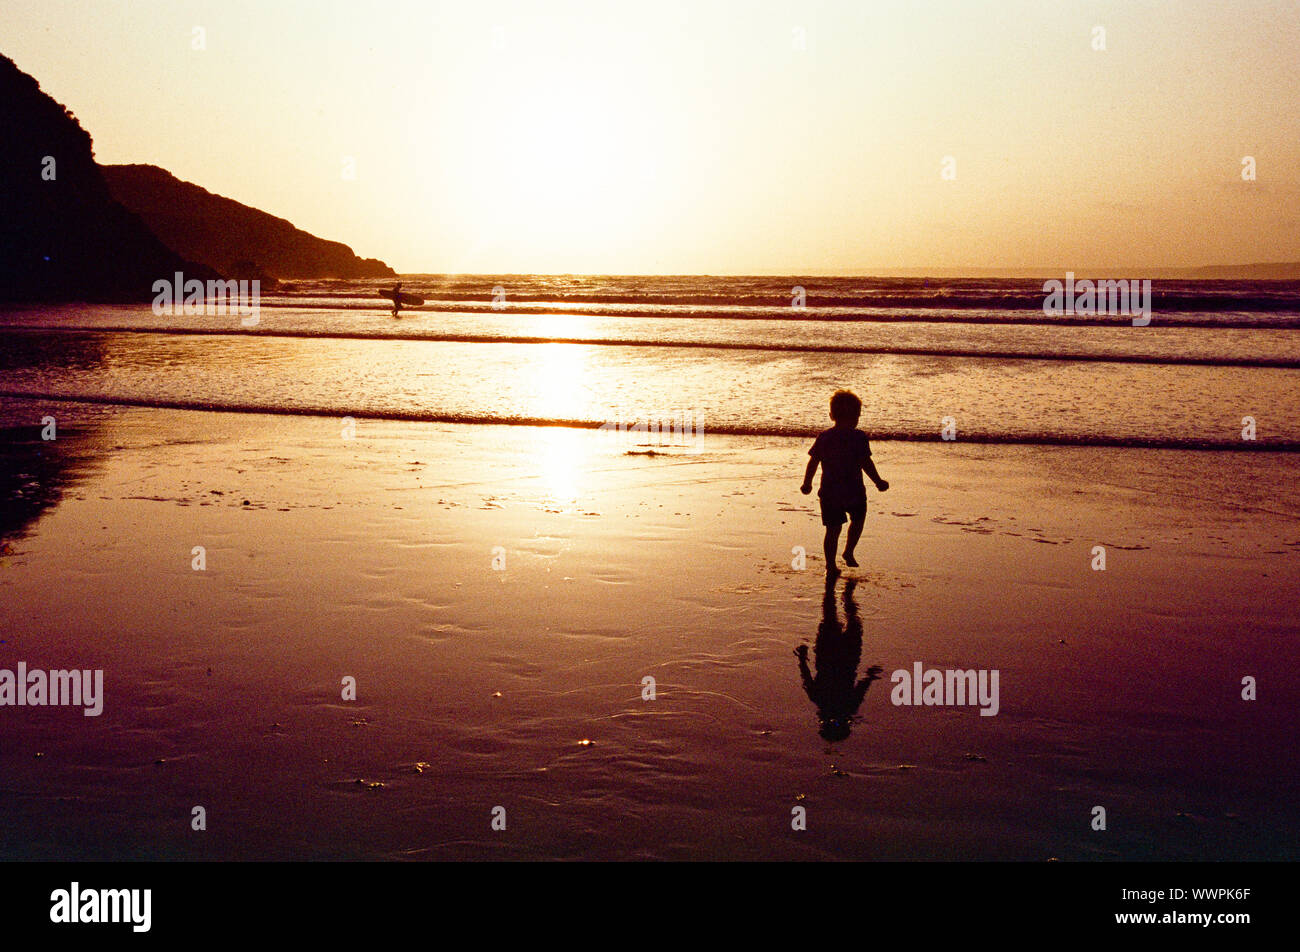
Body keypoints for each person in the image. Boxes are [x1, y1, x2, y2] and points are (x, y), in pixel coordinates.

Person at [800, 389, 888, 577]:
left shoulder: (825, 437)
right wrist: (878, 481)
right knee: (857, 520)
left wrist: (807, 483)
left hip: (830, 492)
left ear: (831, 415)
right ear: (857, 416)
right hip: (853, 490)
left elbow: (813, 462)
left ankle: (830, 565)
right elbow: (866, 463)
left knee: (833, 529)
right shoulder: (858, 437)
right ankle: (848, 551)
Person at [795, 578, 883, 742]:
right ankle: (841, 594)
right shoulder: (825, 700)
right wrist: (801, 658)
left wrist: (801, 658)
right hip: (837, 658)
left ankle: (840, 592)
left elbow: (806, 677)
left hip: (841, 658)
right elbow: (806, 677)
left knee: (846, 621)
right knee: (836, 618)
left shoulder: (837, 703)